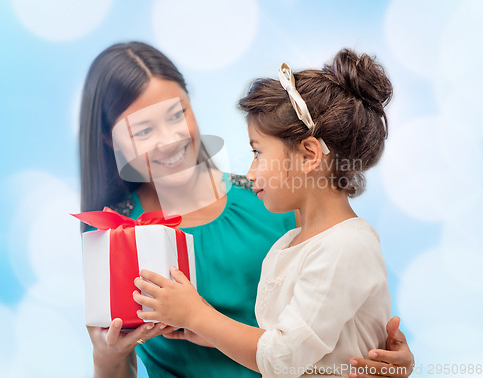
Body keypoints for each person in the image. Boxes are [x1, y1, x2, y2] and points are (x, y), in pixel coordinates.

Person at [79, 42, 415, 378]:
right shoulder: (117, 235)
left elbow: (341, 313)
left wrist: (388, 357)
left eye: (177, 114)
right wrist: (105, 357)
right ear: (111, 139)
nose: (170, 139)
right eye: (143, 130)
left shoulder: (277, 196)